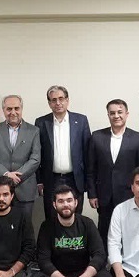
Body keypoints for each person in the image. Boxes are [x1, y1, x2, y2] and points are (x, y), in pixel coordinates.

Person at [30, 185, 111, 277]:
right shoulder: (47, 226)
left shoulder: (87, 223)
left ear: (75, 202)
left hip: (82, 274)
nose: (66, 204)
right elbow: (43, 260)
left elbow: (99, 255)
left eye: (69, 200)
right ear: (54, 205)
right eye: (61, 201)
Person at [87, 99, 139, 247]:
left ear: (127, 114)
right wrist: (92, 194)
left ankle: (127, 259)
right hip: (104, 194)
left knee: (129, 231)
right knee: (104, 231)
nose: (116, 116)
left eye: (120, 112)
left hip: (128, 195)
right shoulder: (97, 137)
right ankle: (104, 259)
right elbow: (91, 168)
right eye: (112, 113)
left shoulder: (138, 138)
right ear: (108, 115)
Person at [35, 85, 91, 221]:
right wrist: (39, 180)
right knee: (52, 219)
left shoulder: (81, 121)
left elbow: (88, 153)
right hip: (51, 179)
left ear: (67, 100)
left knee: (75, 218)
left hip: (75, 179)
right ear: (49, 103)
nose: (58, 103)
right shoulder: (41, 122)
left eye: (61, 98)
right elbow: (37, 153)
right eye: (54, 100)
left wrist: (88, 182)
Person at [0, 95, 41, 218]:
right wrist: (6, 174)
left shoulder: (34, 131)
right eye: (9, 109)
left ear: (21, 109)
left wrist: (16, 176)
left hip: (25, 188)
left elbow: (35, 159)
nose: (13, 112)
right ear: (3, 110)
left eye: (16, 108)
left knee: (25, 225)